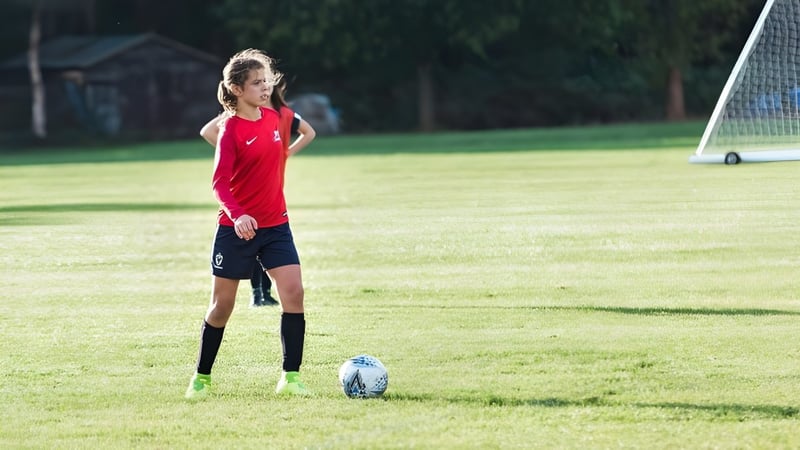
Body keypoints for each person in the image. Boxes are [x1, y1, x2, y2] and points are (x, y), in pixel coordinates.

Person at [185, 48, 317, 400]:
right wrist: (238, 213)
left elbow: (299, 138)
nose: (265, 87)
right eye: (257, 83)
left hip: (276, 226)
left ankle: (291, 378)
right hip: (236, 229)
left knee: (294, 294)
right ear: (237, 90)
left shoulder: (276, 118)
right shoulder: (229, 130)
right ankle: (202, 377)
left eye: (267, 81)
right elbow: (219, 183)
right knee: (221, 307)